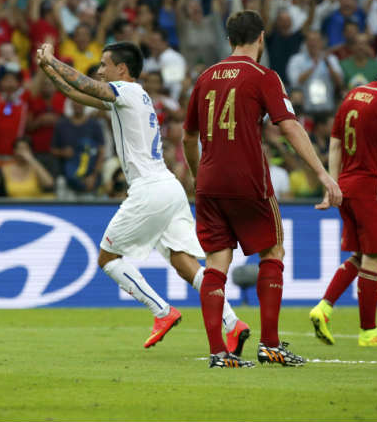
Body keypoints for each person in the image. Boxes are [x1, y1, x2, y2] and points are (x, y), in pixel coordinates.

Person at [37, 41, 251, 356]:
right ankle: (232, 323)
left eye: (104, 64)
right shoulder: (134, 97)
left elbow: (85, 84)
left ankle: (161, 311)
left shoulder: (127, 91)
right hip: (168, 188)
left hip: (149, 188)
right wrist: (48, 69)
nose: (100, 71)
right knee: (184, 262)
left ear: (122, 69)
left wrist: (53, 60)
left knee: (107, 258)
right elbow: (76, 93)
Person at [182, 10, 341, 368]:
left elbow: (188, 137)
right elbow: (289, 126)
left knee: (215, 263)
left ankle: (218, 353)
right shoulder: (263, 76)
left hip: (209, 183)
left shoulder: (205, 77)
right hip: (248, 180)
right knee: (272, 251)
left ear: (229, 40)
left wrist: (196, 175)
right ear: (262, 37)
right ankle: (270, 345)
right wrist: (323, 174)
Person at [309, 55, 377, 348]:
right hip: (373, 187)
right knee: (376, 256)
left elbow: (334, 143)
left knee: (360, 255)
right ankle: (369, 331)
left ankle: (323, 308)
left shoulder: (352, 95)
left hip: (346, 186)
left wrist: (332, 185)